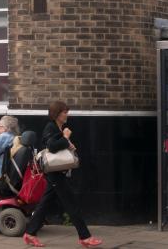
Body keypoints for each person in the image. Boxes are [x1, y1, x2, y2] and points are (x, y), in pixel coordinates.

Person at [23, 101, 102, 248]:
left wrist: (67, 142)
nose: (67, 114)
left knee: (45, 204)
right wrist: (65, 138)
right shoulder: (51, 126)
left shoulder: (57, 127)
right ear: (57, 113)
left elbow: (56, 144)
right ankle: (85, 237)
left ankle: (30, 233)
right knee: (71, 204)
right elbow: (51, 146)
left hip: (57, 172)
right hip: (54, 173)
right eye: (65, 112)